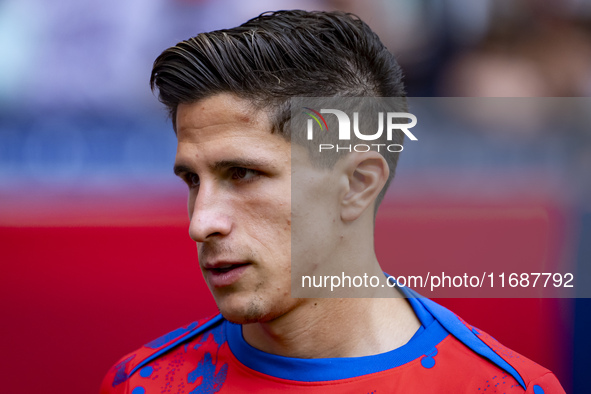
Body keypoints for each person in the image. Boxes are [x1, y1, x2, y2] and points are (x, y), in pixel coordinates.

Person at [100, 10, 564, 393]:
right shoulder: (145, 383)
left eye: (243, 174)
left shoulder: (500, 388)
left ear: (358, 185)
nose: (201, 223)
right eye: (192, 180)